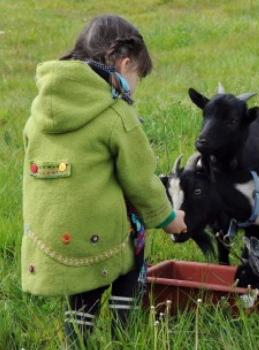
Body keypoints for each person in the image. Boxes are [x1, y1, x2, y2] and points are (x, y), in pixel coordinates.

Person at [21, 14, 187, 346]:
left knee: (84, 282)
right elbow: (140, 181)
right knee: (133, 237)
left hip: (48, 236)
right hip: (97, 238)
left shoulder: (41, 109)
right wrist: (169, 219)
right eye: (138, 77)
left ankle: (77, 337)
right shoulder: (115, 113)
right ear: (124, 64)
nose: (135, 87)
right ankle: (125, 332)